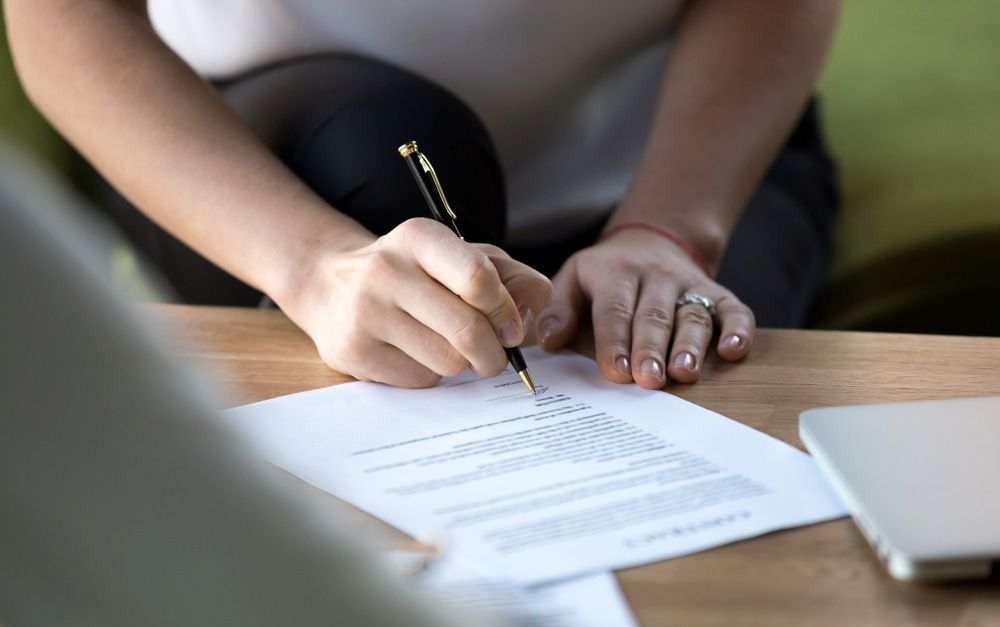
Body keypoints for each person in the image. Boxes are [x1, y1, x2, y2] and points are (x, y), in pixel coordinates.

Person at [5, 0, 840, 391]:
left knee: (704, 378)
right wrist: (310, 263)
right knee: (386, 169)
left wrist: (672, 226)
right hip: (268, 164)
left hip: (674, 141)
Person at [0, 141, 587, 627]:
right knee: (380, 130)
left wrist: (657, 225)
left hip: (605, 208)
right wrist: (312, 267)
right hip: (247, 175)